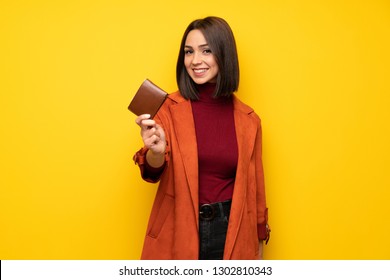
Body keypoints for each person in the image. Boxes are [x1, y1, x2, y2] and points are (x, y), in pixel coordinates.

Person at [133, 16, 270, 260]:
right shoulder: (167, 108)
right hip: (180, 227)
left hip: (233, 232)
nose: (195, 61)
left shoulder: (250, 120)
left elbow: (256, 187)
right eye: (188, 52)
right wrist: (155, 151)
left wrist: (258, 241)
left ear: (224, 54)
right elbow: (153, 172)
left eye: (206, 51)